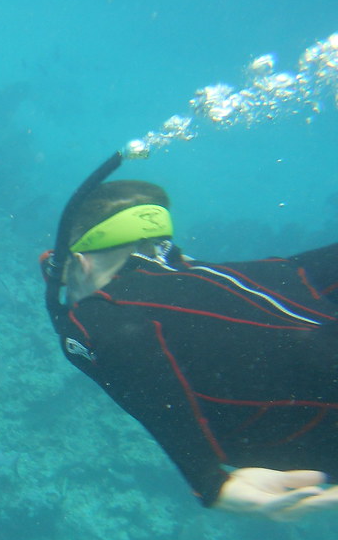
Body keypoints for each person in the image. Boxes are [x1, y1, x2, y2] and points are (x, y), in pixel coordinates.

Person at [41, 157, 338, 521]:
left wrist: (211, 482)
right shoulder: (279, 272)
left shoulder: (97, 315)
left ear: (81, 264)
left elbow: (117, 340)